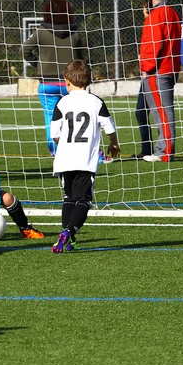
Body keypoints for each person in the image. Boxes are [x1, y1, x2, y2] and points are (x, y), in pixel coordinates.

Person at [49, 59, 120, 254]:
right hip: (85, 160)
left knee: (68, 199)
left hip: (63, 160)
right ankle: (68, 232)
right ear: (89, 81)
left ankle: (69, 239)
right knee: (84, 201)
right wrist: (114, 143)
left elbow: (54, 133)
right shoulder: (96, 102)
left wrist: (63, 145)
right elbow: (109, 127)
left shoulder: (62, 102)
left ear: (67, 81)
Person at [22, 0, 87, 157]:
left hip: (47, 82)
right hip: (71, 83)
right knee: (76, 116)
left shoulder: (40, 32)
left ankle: (56, 151)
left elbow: (25, 50)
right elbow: (82, 59)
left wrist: (39, 65)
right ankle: (81, 149)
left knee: (51, 118)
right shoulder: (76, 33)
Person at [139, 0, 181, 163]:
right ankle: (161, 149)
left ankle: (164, 152)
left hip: (158, 70)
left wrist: (146, 67)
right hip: (170, 68)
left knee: (162, 111)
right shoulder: (173, 13)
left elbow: (154, 44)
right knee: (161, 110)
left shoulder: (157, 15)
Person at [133, 0, 154, 160]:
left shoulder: (153, 25)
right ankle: (147, 149)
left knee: (153, 112)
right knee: (141, 112)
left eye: (145, 10)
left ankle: (161, 149)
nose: (143, 13)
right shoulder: (148, 26)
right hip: (147, 74)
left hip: (153, 75)